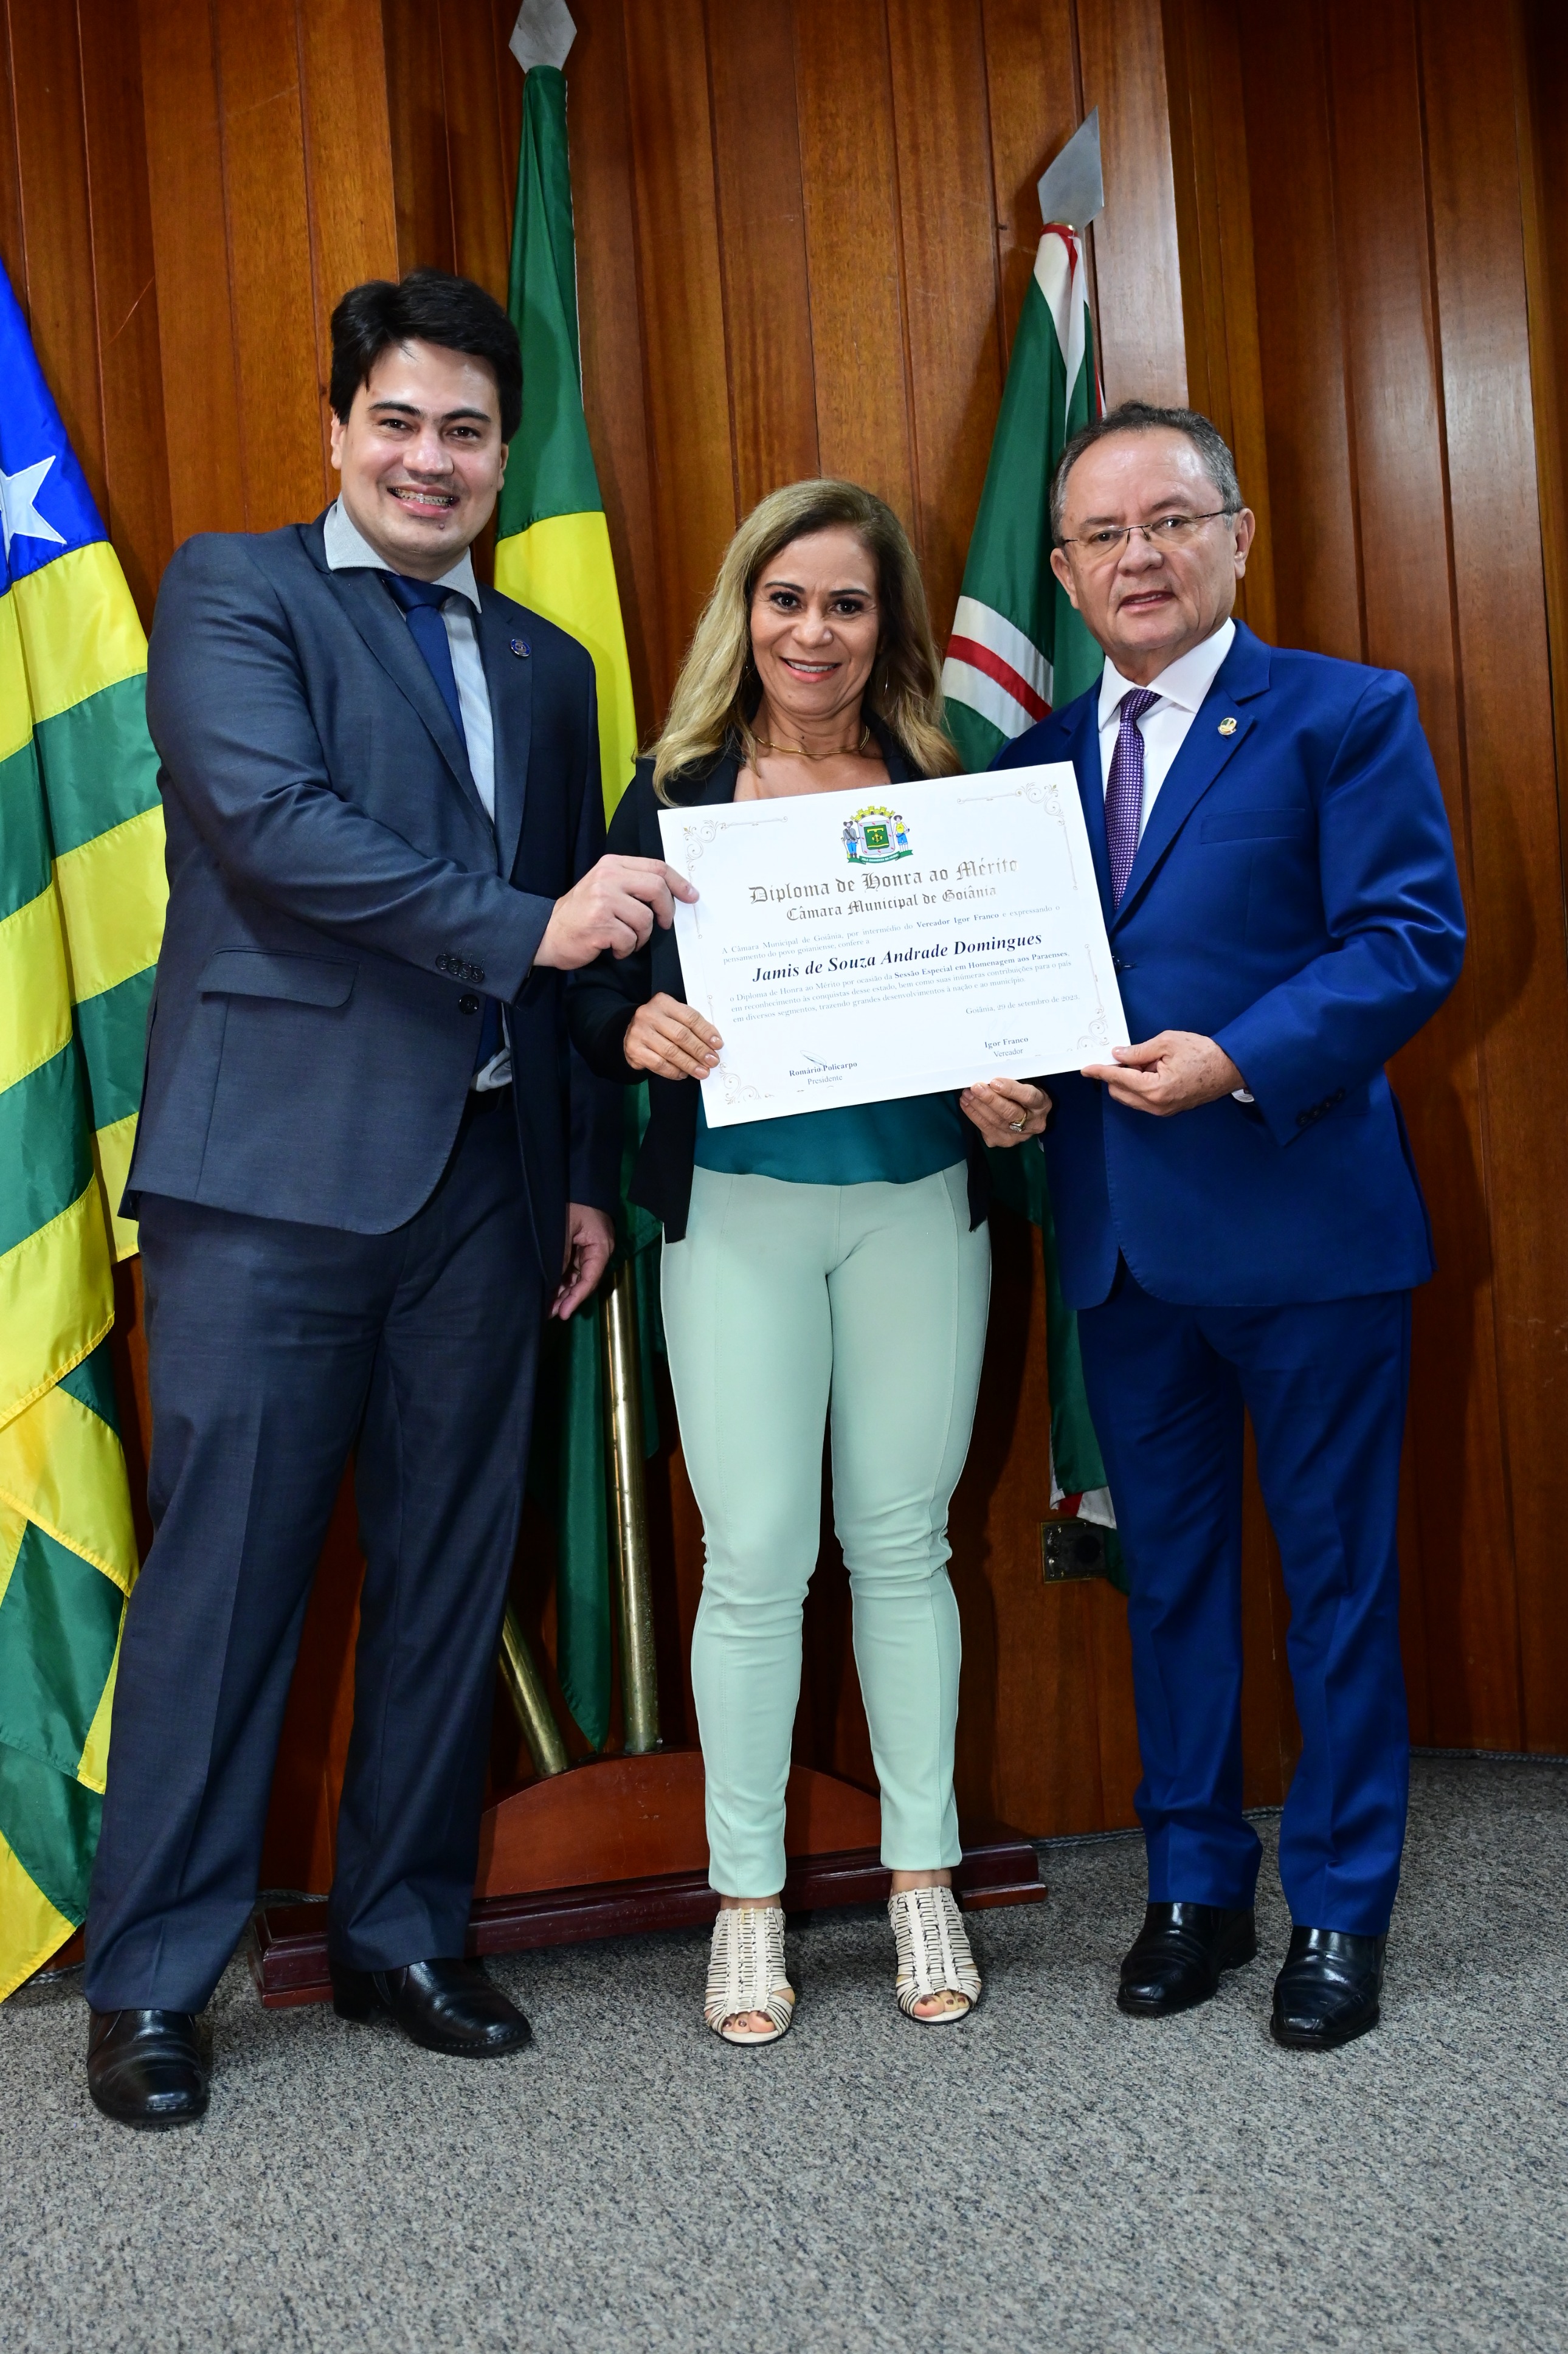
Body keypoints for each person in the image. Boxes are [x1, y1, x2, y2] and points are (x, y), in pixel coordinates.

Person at [84, 270, 689, 2128]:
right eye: (399, 422)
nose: (432, 460)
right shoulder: (235, 593)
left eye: (468, 431)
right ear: (340, 428)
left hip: (489, 1191)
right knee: (226, 1583)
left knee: (447, 1571)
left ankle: (401, 1932)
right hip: (271, 1181)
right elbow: (275, 832)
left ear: (508, 452)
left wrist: (575, 1173)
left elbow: (579, 963)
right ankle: (154, 1979)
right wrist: (528, 928)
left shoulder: (551, 667)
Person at [996, 401, 1465, 2049]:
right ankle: (1192, 1884)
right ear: (1064, 573)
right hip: (1122, 1246)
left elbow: (1408, 937)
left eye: (1169, 521)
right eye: (1102, 535)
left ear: (1236, 537)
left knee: (1336, 1584)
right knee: (1173, 1582)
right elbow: (1009, 981)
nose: (1137, 557)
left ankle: (1339, 1905)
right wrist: (992, 1077)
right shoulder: (1026, 767)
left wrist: (1240, 1057)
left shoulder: (1344, 712)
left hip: (1306, 1229)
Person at [569, 480, 1046, 2044]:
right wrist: (633, 1023)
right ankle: (748, 1904)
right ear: (745, 612)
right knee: (757, 1555)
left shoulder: (947, 779)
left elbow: (1012, 991)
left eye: (847, 602)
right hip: (736, 1211)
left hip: (916, 1203)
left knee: (904, 1544)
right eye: (787, 599)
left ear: (885, 622)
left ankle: (924, 1878)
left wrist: (1013, 1082)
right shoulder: (672, 790)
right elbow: (589, 988)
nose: (815, 632)